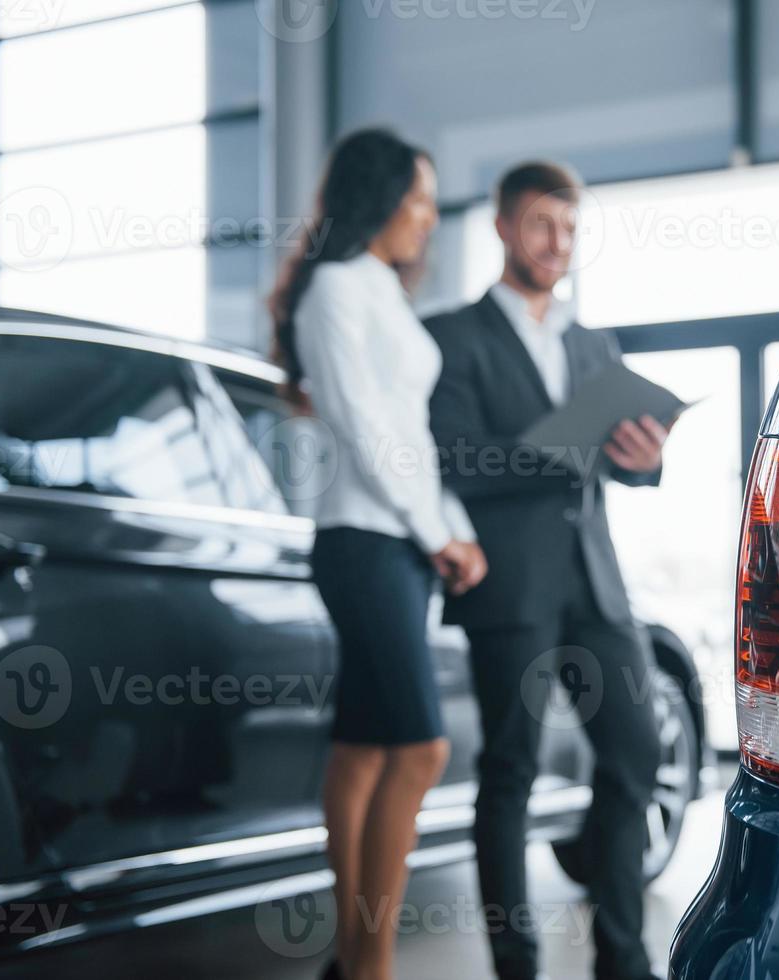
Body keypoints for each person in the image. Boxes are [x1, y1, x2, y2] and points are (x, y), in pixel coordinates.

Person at [424, 161, 669, 980]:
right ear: (501, 225)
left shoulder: (592, 343)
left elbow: (617, 462)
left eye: (569, 229)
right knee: (510, 776)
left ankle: (623, 960)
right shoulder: (454, 336)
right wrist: (570, 447)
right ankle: (515, 963)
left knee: (634, 756)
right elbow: (456, 457)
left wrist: (645, 459)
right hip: (511, 587)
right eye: (540, 225)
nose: (556, 243)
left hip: (596, 585)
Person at [270, 128, 488, 980]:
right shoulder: (335, 290)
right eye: (421, 197)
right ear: (380, 196)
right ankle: (373, 966)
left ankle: (351, 960)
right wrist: (437, 533)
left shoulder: (382, 293)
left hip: (400, 541)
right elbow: (363, 428)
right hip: (363, 540)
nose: (430, 217)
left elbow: (414, 434)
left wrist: (450, 526)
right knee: (422, 749)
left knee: (365, 749)